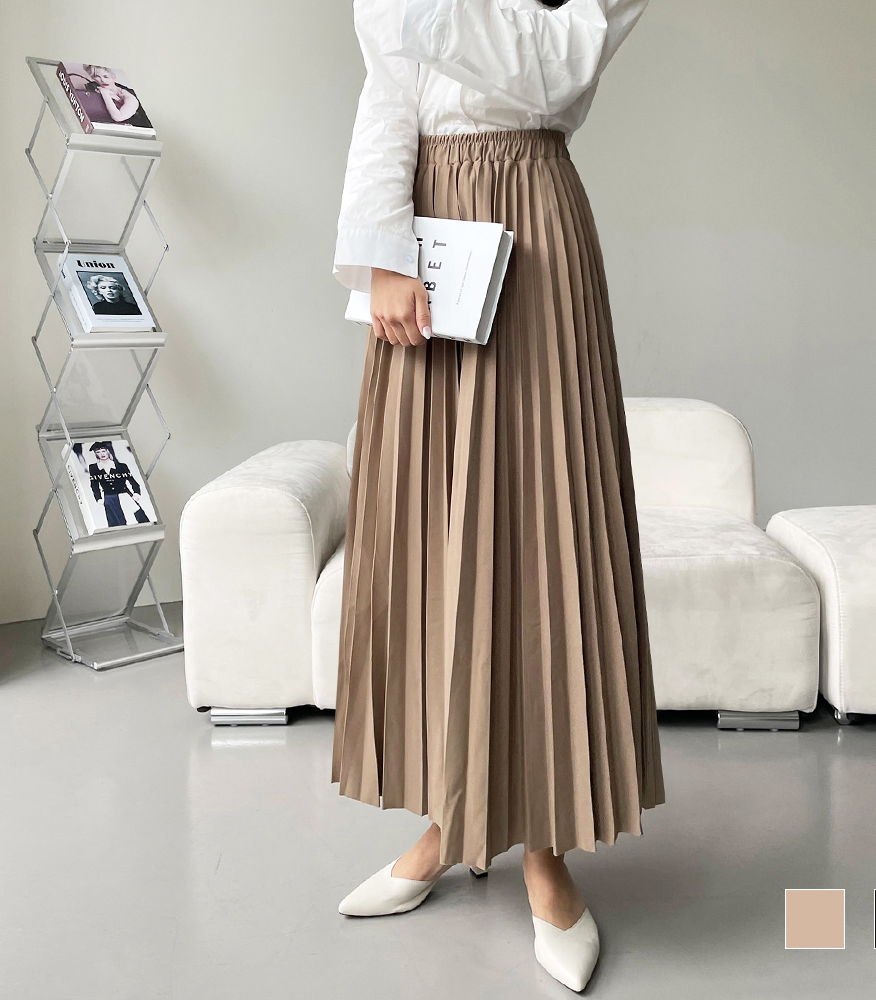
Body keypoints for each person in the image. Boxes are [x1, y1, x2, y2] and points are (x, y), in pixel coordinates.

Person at [331, 0, 664, 991]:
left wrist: (410, 8)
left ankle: (544, 844)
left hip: (534, 228)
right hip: (425, 234)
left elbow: (555, 65)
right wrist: (382, 251)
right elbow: (388, 89)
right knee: (432, 533)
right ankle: (454, 816)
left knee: (539, 532)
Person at [87, 442, 150, 528]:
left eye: (103, 451)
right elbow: (94, 484)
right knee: (116, 524)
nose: (102, 454)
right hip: (109, 498)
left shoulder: (121, 466)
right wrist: (98, 498)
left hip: (125, 495)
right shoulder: (93, 468)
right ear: (95, 454)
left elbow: (132, 481)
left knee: (141, 518)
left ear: (108, 451)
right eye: (98, 452)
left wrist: (136, 493)